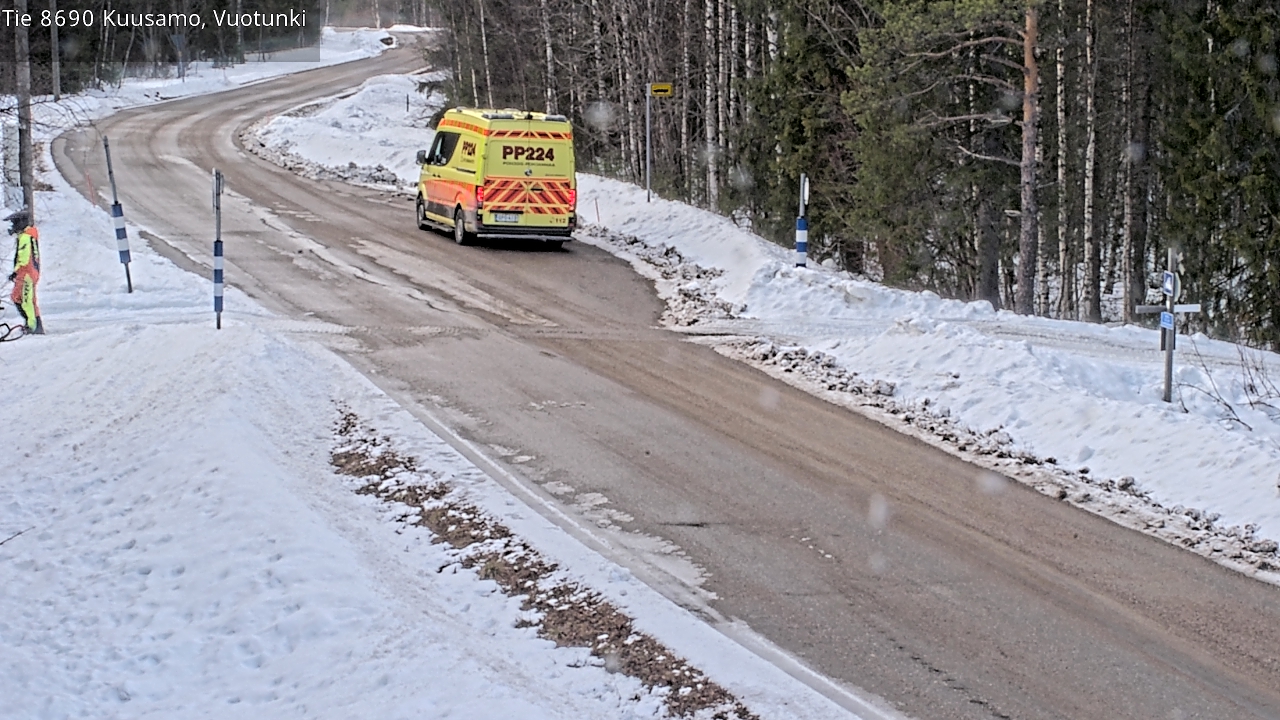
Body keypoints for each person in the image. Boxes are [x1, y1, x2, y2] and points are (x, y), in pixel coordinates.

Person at [7, 209, 43, 335]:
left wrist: (16, 271)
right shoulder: (29, 235)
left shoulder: (26, 237)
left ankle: (33, 326)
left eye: (14, 223)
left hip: (27, 271)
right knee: (20, 297)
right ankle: (35, 323)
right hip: (29, 271)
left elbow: (24, 255)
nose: (13, 227)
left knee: (25, 300)